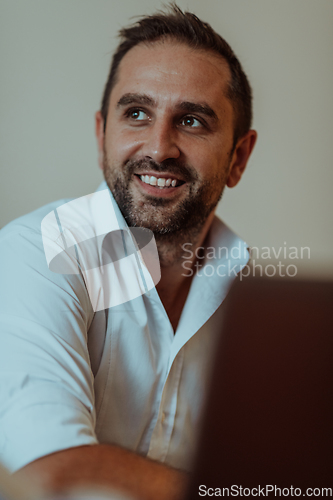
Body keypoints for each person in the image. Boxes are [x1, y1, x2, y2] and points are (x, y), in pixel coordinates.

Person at [0, 5, 257, 500]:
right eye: (136, 113)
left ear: (238, 158)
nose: (159, 148)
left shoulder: (261, 304)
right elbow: (53, 472)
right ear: (102, 136)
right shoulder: (35, 254)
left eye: (192, 121)